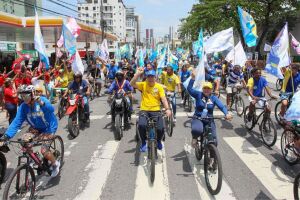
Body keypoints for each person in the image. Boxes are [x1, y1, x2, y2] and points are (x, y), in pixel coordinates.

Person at [1, 85, 60, 177]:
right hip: (35, 128)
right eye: (22, 96)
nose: (24, 98)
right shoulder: (23, 107)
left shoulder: (41, 100)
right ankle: (35, 159)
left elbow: (51, 109)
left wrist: (42, 104)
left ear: (32, 94)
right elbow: (17, 122)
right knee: (24, 142)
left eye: (26, 95)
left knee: (44, 150)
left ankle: (55, 163)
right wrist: (7, 136)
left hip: (49, 127)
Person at [130, 68, 172, 152]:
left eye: (152, 76)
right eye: (149, 76)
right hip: (144, 110)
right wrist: (138, 74)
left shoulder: (159, 87)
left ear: (155, 77)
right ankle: (143, 142)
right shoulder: (143, 84)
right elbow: (132, 83)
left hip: (156, 110)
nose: (150, 78)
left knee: (161, 128)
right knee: (141, 125)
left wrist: (167, 109)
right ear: (146, 77)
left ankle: (159, 141)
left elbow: (163, 99)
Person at [187, 70, 232, 147]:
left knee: (214, 142)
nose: (206, 90)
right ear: (202, 89)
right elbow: (189, 89)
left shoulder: (213, 98)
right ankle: (194, 138)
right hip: (198, 118)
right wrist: (193, 78)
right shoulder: (198, 94)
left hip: (209, 120)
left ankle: (211, 156)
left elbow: (221, 106)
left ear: (211, 90)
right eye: (205, 88)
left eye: (208, 88)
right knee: (197, 130)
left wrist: (226, 113)